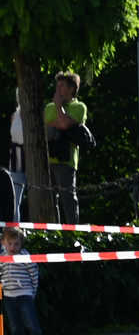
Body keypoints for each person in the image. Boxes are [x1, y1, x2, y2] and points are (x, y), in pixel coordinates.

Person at [43, 72, 88, 223]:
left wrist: (58, 109)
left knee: (68, 199)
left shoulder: (79, 107)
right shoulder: (48, 107)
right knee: (49, 200)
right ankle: (54, 231)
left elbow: (63, 124)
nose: (58, 89)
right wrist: (61, 122)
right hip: (48, 159)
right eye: (57, 86)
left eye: (61, 86)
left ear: (71, 89)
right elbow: (44, 129)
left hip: (66, 161)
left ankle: (72, 231)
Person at [2, 227, 46, 335]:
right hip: (8, 296)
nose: (12, 247)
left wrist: (33, 292)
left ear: (21, 244)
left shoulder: (25, 256)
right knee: (15, 325)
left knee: (32, 323)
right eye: (9, 243)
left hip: (25, 294)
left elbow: (34, 274)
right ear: (3, 243)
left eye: (16, 244)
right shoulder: (2, 257)